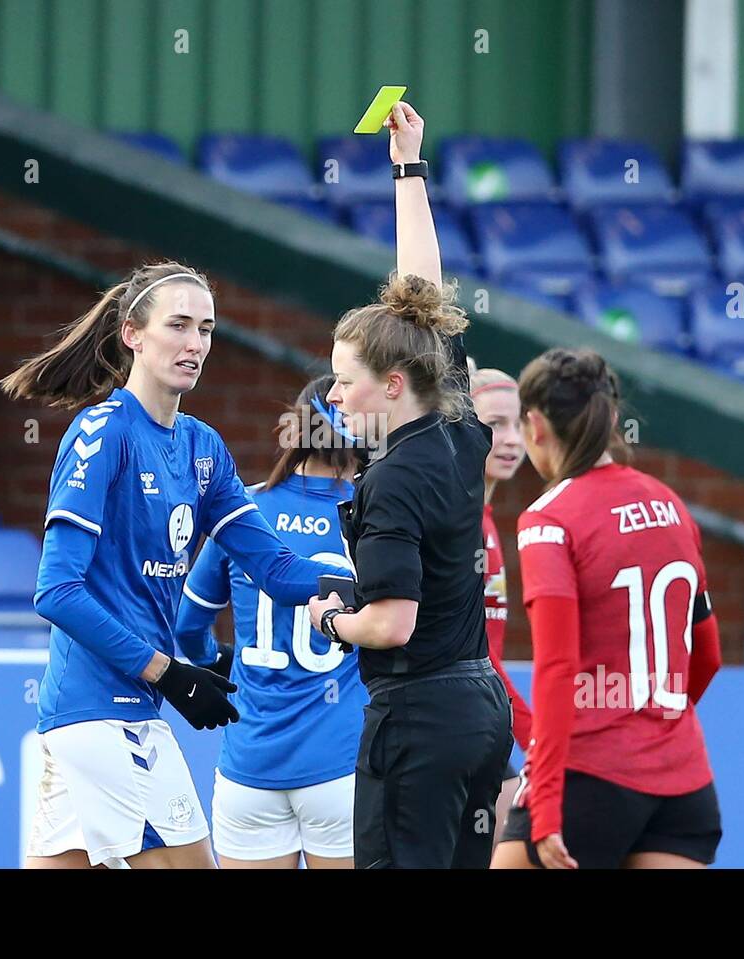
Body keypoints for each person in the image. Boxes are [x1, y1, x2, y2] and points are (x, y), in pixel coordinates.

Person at [0, 260, 347, 870]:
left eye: (207, 330)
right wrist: (169, 673)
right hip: (107, 711)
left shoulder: (201, 446)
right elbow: (56, 591)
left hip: (105, 713)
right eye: (179, 325)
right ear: (133, 333)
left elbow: (275, 569)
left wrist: (374, 586)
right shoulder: (103, 432)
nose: (195, 344)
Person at [306, 101, 513, 869]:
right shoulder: (457, 428)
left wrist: (332, 620)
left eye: (341, 382)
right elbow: (422, 294)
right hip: (481, 708)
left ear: (392, 384)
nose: (330, 398)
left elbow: (390, 624)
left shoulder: (390, 479)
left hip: (419, 715)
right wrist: (408, 166)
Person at [492, 348, 722, 870]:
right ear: (612, 418)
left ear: (534, 424)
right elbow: (707, 655)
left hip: (589, 778)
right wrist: (653, 720)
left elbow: (556, 668)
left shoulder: (548, 519)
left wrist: (546, 802)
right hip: (684, 787)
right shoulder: (671, 504)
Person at [175, 375, 367, 869]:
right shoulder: (375, 515)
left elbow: (189, 626)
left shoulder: (245, 511)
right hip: (342, 761)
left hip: (249, 763)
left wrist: (216, 662)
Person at [469, 367, 535, 849]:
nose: (512, 439)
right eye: (496, 425)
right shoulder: (463, 520)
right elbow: (479, 651)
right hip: (453, 716)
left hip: (476, 711)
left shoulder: (484, 518)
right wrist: (535, 736)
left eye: (520, 425)